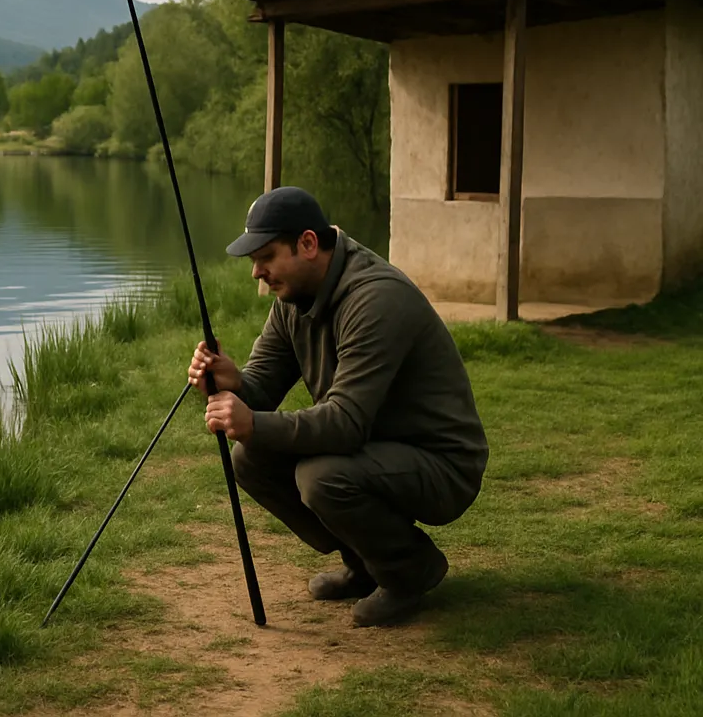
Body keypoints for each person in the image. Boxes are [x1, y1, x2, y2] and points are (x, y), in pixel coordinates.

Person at [187, 186, 488, 627]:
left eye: (266, 256)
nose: (257, 272)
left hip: (441, 463)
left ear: (308, 244)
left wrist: (251, 420)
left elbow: (344, 424)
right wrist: (230, 382)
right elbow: (260, 391)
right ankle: (366, 564)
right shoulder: (294, 298)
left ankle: (409, 571)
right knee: (250, 459)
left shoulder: (376, 298)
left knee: (321, 477)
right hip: (374, 447)